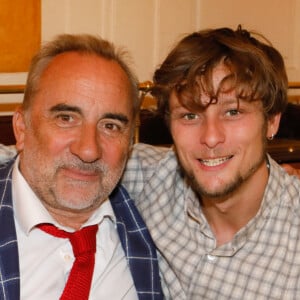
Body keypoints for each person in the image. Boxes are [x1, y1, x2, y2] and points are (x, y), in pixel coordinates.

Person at [121, 26, 300, 299]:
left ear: (272, 121)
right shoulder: (144, 176)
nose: (211, 136)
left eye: (232, 112)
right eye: (190, 116)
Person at [0, 34, 163, 299]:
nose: (89, 150)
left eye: (110, 126)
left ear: (129, 142)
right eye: (66, 118)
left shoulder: (157, 214)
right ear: (22, 128)